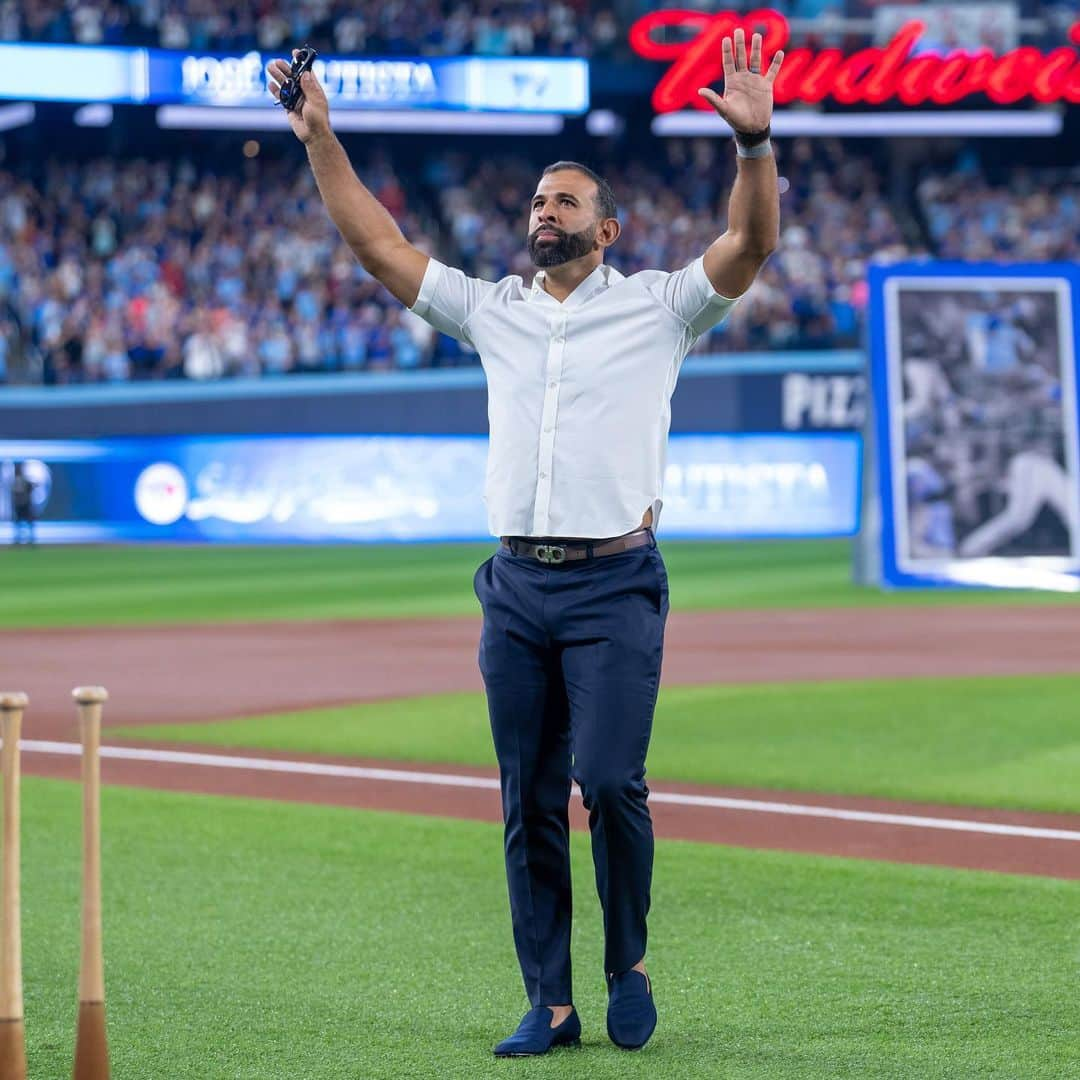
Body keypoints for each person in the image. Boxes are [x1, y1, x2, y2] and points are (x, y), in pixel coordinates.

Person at [267, 27, 784, 1056]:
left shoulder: (661, 307)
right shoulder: (492, 309)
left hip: (615, 583)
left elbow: (751, 246)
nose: (542, 212)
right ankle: (548, 999)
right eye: (537, 201)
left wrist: (755, 150)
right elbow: (377, 245)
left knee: (612, 781)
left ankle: (625, 959)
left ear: (608, 228)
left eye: (564, 202)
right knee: (527, 800)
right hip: (516, 587)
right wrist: (319, 137)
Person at [11, 462, 36, 546]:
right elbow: (14, 494)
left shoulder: (24, 481)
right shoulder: (15, 482)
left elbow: (30, 489)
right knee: (19, 523)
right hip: (20, 506)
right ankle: (19, 540)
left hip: (25, 505)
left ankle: (30, 539)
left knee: (28, 523)